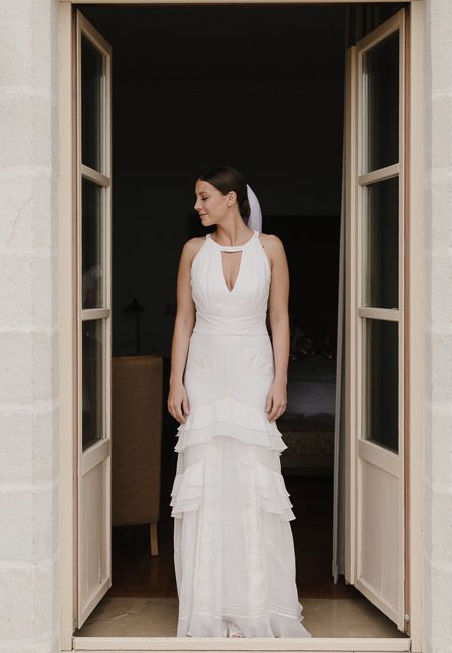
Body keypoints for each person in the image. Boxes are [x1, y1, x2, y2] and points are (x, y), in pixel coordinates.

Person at [168, 165, 312, 638]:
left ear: (231, 198)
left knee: (253, 482)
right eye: (197, 198)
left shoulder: (270, 248)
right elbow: (184, 320)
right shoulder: (193, 250)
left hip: (253, 371)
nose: (197, 206)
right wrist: (175, 381)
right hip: (206, 374)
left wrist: (281, 381)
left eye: (204, 197)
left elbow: (280, 319)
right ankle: (208, 608)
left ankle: (257, 605)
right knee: (207, 481)